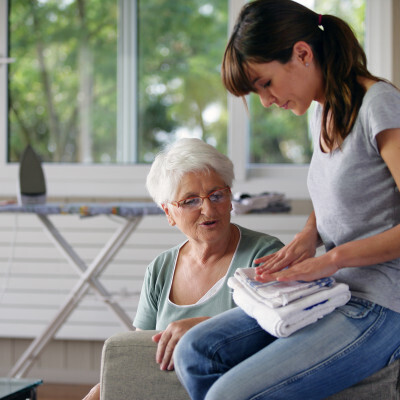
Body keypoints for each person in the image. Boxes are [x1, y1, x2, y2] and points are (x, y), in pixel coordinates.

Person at [173, 1, 400, 399]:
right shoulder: (323, 111)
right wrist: (308, 235)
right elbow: (345, 186)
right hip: (336, 290)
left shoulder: (378, 103)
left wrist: (331, 258)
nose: (266, 100)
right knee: (195, 352)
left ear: (302, 54)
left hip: (383, 304)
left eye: (265, 83)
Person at [82, 137, 284, 399]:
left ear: (230, 198)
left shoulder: (266, 255)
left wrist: (206, 331)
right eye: (190, 201)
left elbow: (282, 340)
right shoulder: (160, 269)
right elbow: (141, 354)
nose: (208, 209)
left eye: (217, 195)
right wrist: (102, 390)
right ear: (168, 213)